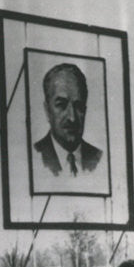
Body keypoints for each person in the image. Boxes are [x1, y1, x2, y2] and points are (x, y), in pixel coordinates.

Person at [31, 63, 104, 192]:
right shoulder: (35, 157)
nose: (72, 117)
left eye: (78, 106)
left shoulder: (99, 158)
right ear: (47, 110)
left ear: (85, 110)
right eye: (61, 105)